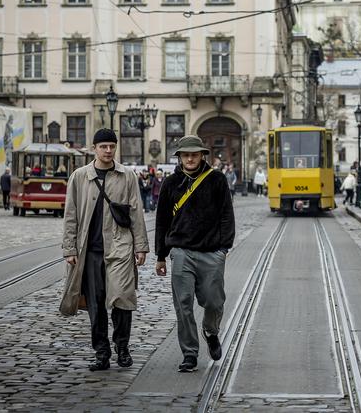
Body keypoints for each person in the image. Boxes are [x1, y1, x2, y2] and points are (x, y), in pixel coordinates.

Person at [60, 128, 149, 371]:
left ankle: (122, 347)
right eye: (103, 147)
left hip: (120, 246)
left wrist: (140, 246)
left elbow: (136, 212)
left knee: (122, 299)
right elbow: (70, 216)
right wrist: (69, 248)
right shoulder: (79, 176)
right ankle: (101, 352)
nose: (108, 151)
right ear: (95, 148)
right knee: (96, 304)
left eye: (112, 146)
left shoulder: (127, 175)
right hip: (89, 250)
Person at [155, 135, 235, 373]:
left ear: (202, 155)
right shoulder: (170, 184)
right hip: (181, 252)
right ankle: (189, 353)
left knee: (213, 301)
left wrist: (223, 248)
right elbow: (162, 221)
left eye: (194, 154)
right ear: (179, 157)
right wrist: (161, 255)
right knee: (183, 305)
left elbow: (226, 215)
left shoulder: (217, 180)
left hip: (211, 252)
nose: (190, 158)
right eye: (185, 155)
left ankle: (210, 331)